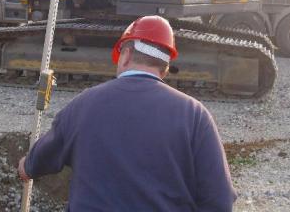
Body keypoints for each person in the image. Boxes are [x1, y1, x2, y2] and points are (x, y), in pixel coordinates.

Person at [17, 16, 237, 211]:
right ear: (165, 67)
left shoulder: (83, 105)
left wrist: (26, 167)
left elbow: (39, 160)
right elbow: (220, 200)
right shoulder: (195, 115)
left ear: (126, 55)